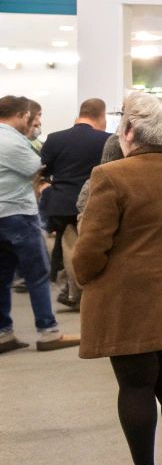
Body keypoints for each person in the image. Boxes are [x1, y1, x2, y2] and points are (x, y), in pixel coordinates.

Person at [69, 93, 162, 465]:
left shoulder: (111, 176)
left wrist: (84, 277)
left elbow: (91, 247)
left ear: (130, 133)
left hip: (127, 298)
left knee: (136, 385)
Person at [0, 96, 77, 352]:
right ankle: (48, 332)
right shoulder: (12, 140)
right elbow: (36, 167)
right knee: (38, 273)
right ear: (23, 116)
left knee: (2, 277)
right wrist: (32, 140)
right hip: (18, 214)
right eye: (35, 119)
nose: (37, 124)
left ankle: (4, 332)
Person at [36, 98, 109, 309]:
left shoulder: (55, 138)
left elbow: (42, 170)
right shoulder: (106, 139)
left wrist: (43, 185)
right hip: (96, 200)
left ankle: (77, 293)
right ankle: (91, 292)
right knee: (95, 245)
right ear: (101, 116)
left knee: (71, 247)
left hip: (63, 203)